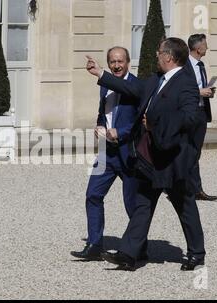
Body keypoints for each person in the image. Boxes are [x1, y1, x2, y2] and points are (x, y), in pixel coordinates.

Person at [86, 37, 206, 271]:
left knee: (184, 206)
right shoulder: (155, 80)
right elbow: (130, 87)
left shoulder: (186, 83)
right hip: (149, 157)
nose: (156, 55)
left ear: (169, 57)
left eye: (159, 52)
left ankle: (196, 253)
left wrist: (155, 124)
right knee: (142, 205)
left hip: (173, 159)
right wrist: (100, 73)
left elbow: (190, 119)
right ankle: (129, 254)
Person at [71, 47, 144, 261]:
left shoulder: (136, 85)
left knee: (132, 204)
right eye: (112, 61)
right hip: (106, 153)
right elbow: (103, 112)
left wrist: (119, 133)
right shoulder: (105, 87)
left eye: (120, 61)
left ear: (128, 62)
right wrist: (99, 126)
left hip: (128, 152)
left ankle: (138, 247)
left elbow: (137, 123)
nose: (117, 65)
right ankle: (94, 245)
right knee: (93, 195)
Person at [186, 34, 217, 201]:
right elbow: (179, 89)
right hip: (188, 113)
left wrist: (208, 92)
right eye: (205, 45)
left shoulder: (201, 65)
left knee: (195, 152)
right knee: (188, 152)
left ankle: (195, 189)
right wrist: (199, 92)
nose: (207, 47)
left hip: (201, 112)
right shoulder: (184, 65)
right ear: (198, 48)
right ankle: (186, 189)